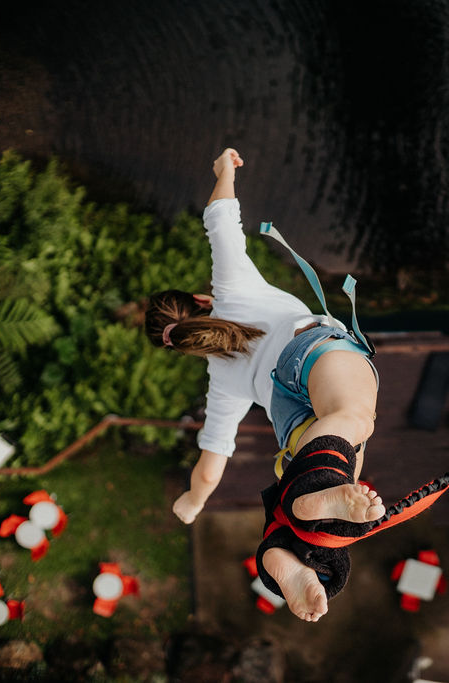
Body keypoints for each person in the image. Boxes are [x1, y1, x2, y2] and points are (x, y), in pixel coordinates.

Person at [145, 148, 384, 622]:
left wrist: (192, 503)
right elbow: (220, 219)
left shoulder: (222, 386)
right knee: (352, 422)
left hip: (285, 411)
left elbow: (210, 470)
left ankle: (286, 554)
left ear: (183, 348)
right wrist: (223, 171)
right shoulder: (231, 287)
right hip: (311, 353)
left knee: (343, 462)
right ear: (198, 299)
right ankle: (308, 503)